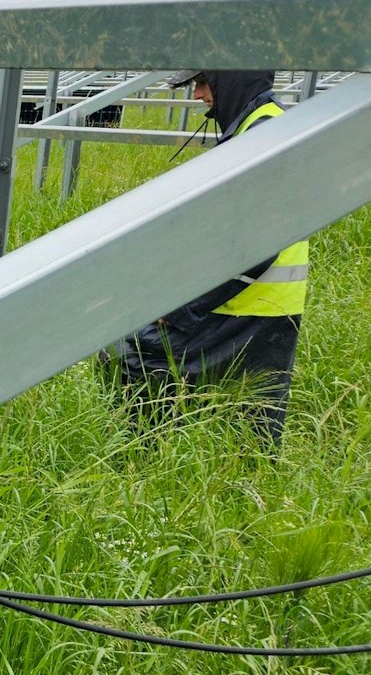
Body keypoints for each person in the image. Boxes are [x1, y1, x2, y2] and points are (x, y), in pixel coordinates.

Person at [104, 69, 306, 445]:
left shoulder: (261, 135)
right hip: (263, 307)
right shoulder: (259, 126)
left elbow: (255, 247)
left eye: (203, 82)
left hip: (243, 308)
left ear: (231, 77)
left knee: (135, 353)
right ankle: (235, 487)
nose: (197, 94)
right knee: (251, 423)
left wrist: (182, 308)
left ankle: (143, 461)